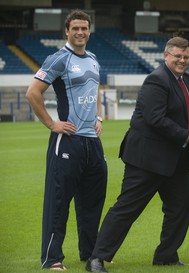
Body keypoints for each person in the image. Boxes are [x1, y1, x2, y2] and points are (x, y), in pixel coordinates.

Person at [85, 36, 189, 273]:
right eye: (177, 56)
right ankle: (97, 258)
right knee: (127, 208)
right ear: (166, 56)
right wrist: (187, 137)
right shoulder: (156, 80)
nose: (182, 60)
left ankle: (166, 256)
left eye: (186, 56)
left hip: (177, 160)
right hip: (147, 159)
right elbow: (155, 119)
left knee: (181, 206)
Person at [25, 9, 108, 271]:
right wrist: (51, 123)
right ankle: (52, 258)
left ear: (89, 30)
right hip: (68, 140)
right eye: (76, 28)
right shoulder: (58, 59)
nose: (81, 32)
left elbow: (94, 89)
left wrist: (99, 117)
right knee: (59, 201)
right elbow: (32, 93)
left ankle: (90, 254)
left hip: (92, 142)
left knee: (92, 202)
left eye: (85, 28)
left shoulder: (93, 59)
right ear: (67, 31)